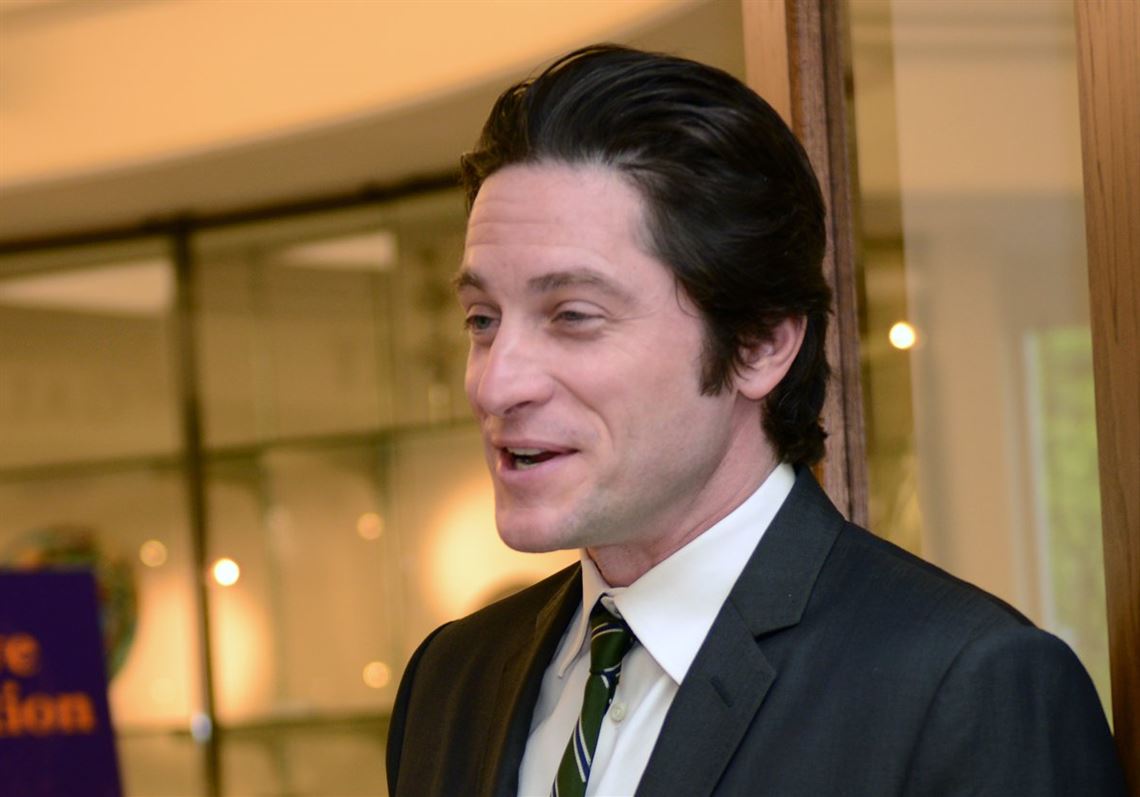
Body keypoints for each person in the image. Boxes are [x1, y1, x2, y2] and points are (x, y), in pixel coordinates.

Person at [386, 45, 1126, 797]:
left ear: (760, 344)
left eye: (573, 315)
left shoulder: (966, 689)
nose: (495, 382)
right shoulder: (450, 682)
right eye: (482, 319)